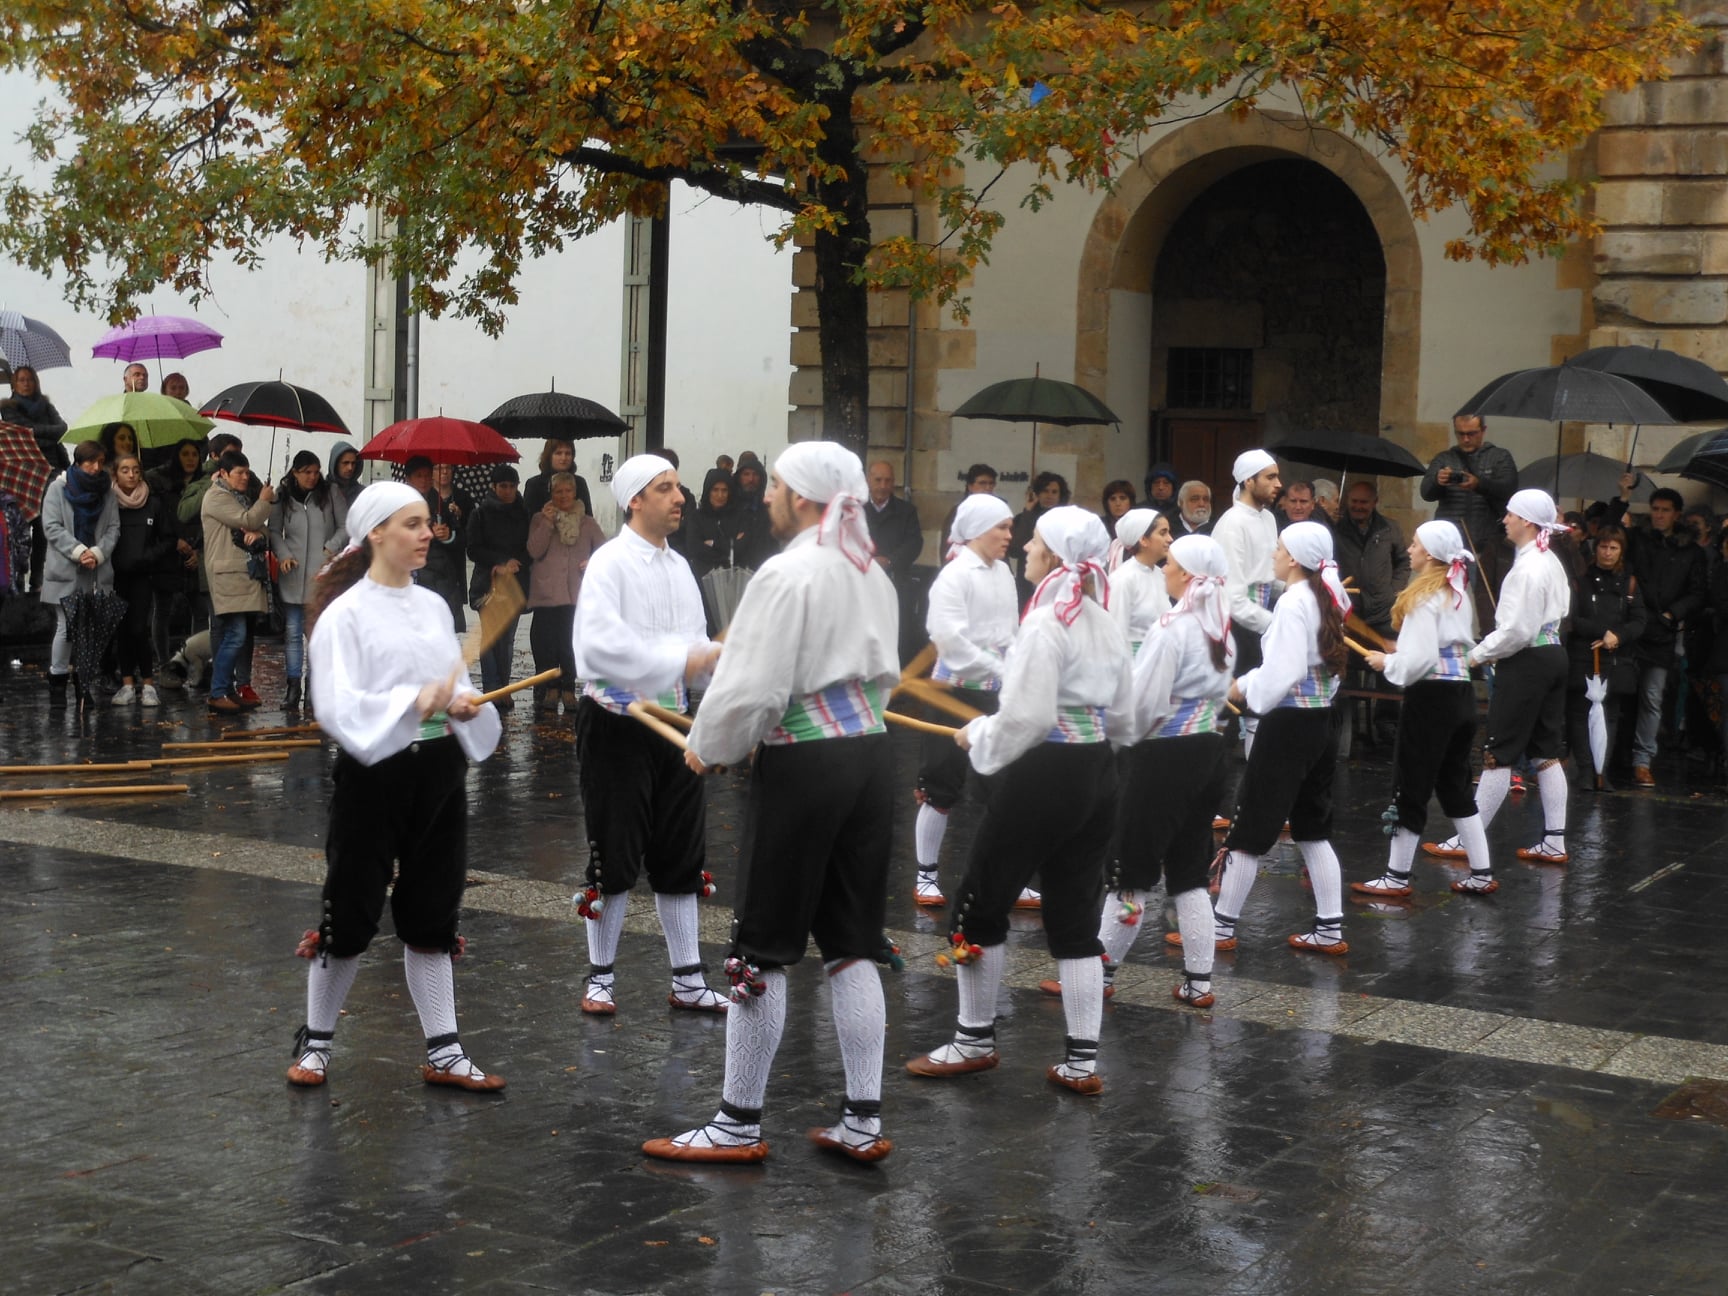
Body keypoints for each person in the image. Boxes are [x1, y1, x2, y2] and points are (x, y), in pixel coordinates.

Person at [645, 442, 899, 1165]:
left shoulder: (787, 573)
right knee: (851, 942)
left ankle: (738, 1122)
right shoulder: (871, 570)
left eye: (777, 486)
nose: (766, 496)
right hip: (870, 758)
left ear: (806, 497)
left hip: (807, 765)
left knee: (763, 944)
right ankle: (862, 1119)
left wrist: (709, 744)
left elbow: (754, 686)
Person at [286, 481, 505, 1093]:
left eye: (427, 523)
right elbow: (335, 705)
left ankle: (445, 1050)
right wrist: (411, 700)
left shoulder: (434, 606)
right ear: (376, 533)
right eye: (413, 524)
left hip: (439, 770)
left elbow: (454, 682)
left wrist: (464, 701)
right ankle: (316, 1042)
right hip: (375, 771)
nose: (427, 533)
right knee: (351, 906)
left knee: (434, 906)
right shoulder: (345, 614)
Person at [906, 506, 1132, 1095]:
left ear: (1053, 555)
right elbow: (1126, 714)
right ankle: (1082, 1060)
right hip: (1096, 770)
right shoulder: (1105, 620)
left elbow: (1027, 717)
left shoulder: (1046, 622)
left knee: (980, 901)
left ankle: (974, 1040)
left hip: (1044, 773)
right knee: (1075, 915)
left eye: (1033, 541)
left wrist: (979, 736)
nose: (1024, 547)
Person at [568, 454, 729, 1018]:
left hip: (674, 721)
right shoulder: (609, 563)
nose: (679, 498)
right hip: (618, 723)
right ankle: (600, 977)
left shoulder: (680, 566)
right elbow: (596, 649)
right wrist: (682, 660)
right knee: (615, 853)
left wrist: (718, 661)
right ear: (635, 500)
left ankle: (688, 979)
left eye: (678, 487)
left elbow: (695, 647)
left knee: (680, 850)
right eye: (665, 488)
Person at [1081, 533, 1235, 1007]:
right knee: (1189, 869)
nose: (1164, 568)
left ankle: (1098, 977)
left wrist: (1111, 733)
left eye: (1170, 563)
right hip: (1209, 750)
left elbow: (1144, 702)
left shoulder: (1173, 627)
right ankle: (1199, 982)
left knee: (1130, 866)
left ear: (1186, 573)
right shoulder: (1219, 627)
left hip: (1164, 755)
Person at [1207, 521, 1352, 953]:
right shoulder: (1327, 595)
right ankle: (1330, 928)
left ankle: (1220, 928)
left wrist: (1245, 687)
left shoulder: (1294, 601)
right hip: (1322, 719)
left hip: (1289, 724)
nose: (1273, 553)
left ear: (1292, 558)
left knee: (1250, 825)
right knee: (1313, 828)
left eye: (1278, 547)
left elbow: (1284, 670)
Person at [1425, 489, 1573, 865]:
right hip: (1553, 654)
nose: (1504, 520)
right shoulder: (1548, 559)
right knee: (1545, 751)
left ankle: (1467, 839)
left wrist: (1476, 655)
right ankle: (1554, 840)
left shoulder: (1529, 567)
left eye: (1511, 514)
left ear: (1527, 522)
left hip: (1528, 661)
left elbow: (1517, 632)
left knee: (1499, 752)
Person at [1353, 522, 1500, 897]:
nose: (1409, 549)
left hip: (1431, 699)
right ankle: (1482, 872)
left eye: (1415, 544)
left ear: (1431, 554)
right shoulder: (1456, 590)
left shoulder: (1424, 597)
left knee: (1411, 785)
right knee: (1455, 785)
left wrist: (1388, 663)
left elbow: (1418, 660)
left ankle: (1396, 876)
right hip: (1461, 695)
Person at [912, 493, 1018, 907]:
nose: (1009, 535)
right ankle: (925, 874)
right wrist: (999, 666)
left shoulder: (1003, 572)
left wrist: (1016, 668)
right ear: (976, 529)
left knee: (1002, 786)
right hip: (952, 691)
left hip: (994, 693)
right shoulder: (954, 575)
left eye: (1010, 527)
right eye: (1001, 527)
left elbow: (1010, 632)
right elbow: (948, 639)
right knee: (942, 784)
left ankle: (1006, 877)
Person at [1609, 483, 1707, 787]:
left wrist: (1672, 614)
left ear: (1677, 514)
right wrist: (1623, 497)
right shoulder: (1638, 539)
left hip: (1661, 633)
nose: (1659, 515)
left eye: (1665, 510)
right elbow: (1610, 531)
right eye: (1655, 509)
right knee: (1621, 694)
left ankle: (1643, 760)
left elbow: (1698, 592)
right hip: (1633, 628)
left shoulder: (1691, 551)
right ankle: (1614, 754)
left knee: (1652, 697)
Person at [40, 441, 120, 710]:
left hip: (95, 570)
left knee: (89, 631)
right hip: (66, 570)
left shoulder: (107, 491)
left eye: (100, 462)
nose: (96, 467)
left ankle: (83, 684)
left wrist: (97, 553)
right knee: (66, 627)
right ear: (78, 461)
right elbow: (51, 526)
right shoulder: (58, 488)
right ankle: (58, 680)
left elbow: (113, 528)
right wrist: (78, 551)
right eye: (90, 462)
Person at [1211, 449, 1282, 752]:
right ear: (1248, 481)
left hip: (1260, 617)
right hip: (1236, 624)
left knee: (1257, 707)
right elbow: (1233, 597)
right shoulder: (1232, 523)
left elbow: (1270, 577)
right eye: (1270, 477)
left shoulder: (1268, 518)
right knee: (1229, 706)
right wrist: (1275, 624)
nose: (1278, 484)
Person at [1563, 524, 1644, 791]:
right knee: (1579, 713)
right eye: (1603, 546)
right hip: (1583, 655)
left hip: (1616, 658)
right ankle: (1586, 770)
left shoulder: (1630, 583)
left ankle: (1602, 771)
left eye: (1613, 548)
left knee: (1609, 715)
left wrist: (1618, 636)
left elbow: (1639, 620)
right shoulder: (1580, 580)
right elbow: (1572, 617)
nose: (1607, 552)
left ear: (1621, 551)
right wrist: (1602, 632)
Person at [1420, 414, 1518, 623]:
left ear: (1483, 431)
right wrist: (1438, 481)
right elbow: (1426, 493)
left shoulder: (1499, 457)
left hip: (1484, 543)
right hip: (1448, 548)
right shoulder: (1444, 458)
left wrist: (1479, 484)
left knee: (1487, 602)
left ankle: (1489, 638)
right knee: (1439, 602)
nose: (1465, 439)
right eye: (1460, 434)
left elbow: (1509, 489)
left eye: (1471, 433)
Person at [270, 451, 347, 710]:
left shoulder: (330, 493)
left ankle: (315, 687)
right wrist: (284, 555)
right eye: (306, 472)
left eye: (316, 472)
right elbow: (274, 531)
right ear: (295, 472)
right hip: (293, 573)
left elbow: (345, 526)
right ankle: (293, 687)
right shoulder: (283, 495)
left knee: (316, 634)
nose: (312, 477)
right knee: (292, 633)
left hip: (321, 574)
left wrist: (331, 547)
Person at [200, 449, 275, 714]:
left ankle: (228, 690)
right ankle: (218, 691)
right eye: (239, 473)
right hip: (227, 576)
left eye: (247, 472)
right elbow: (248, 519)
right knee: (235, 634)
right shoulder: (217, 497)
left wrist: (259, 532)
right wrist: (264, 501)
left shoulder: (238, 497)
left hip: (242, 576)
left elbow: (259, 527)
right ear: (223, 473)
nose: (245, 477)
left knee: (238, 635)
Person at [526, 470, 605, 716]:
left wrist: (592, 561)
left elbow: (604, 552)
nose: (563, 495)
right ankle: (551, 687)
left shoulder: (587, 522)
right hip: (547, 592)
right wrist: (548, 523)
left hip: (575, 591)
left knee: (570, 641)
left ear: (575, 492)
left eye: (568, 491)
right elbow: (534, 550)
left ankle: (568, 687)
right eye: (558, 491)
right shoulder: (540, 519)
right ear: (551, 494)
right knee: (548, 643)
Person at [109, 454, 180, 709]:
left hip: (143, 575)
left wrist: (147, 556)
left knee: (139, 628)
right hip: (116, 575)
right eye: (125, 470)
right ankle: (127, 683)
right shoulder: (109, 503)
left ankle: (149, 684)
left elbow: (168, 538)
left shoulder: (153, 503)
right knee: (122, 630)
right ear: (115, 474)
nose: (131, 475)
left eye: (135, 470)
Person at [464, 465, 532, 706]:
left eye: (512, 486)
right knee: (490, 638)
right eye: (503, 486)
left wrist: (516, 563)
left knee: (508, 639)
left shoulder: (523, 513)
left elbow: (531, 546)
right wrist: (499, 562)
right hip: (488, 584)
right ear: (494, 487)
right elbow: (473, 549)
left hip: (515, 583)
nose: (508, 491)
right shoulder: (480, 514)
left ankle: (504, 687)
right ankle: (491, 689)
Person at [2, 363, 69, 591]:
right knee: (20, 527)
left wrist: (35, 433)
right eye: (21, 379)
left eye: (30, 379)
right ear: (14, 384)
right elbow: (22, 433)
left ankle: (37, 579)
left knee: (44, 525)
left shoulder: (47, 405)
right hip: (23, 471)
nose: (26, 383)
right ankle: (19, 576)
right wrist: (43, 434)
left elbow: (62, 428)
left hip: (52, 469)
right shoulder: (8, 408)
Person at [1335, 481, 1409, 639]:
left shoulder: (1390, 529)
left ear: (1375, 502)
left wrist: (1393, 592)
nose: (1358, 506)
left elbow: (1403, 562)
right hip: (1349, 612)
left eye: (1363, 502)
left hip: (1383, 613)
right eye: (1354, 501)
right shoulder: (1336, 529)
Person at [1109, 508, 1173, 654]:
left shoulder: (1161, 575)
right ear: (1143, 539)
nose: (1170, 539)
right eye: (1162, 533)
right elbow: (1115, 634)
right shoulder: (1123, 579)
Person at [937, 462, 999, 557]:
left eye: (991, 483)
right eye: (982, 483)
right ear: (970, 486)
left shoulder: (998, 511)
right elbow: (948, 548)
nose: (988, 487)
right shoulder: (959, 511)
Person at [522, 439, 595, 517]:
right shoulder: (534, 484)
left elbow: (588, 516)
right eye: (558, 453)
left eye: (568, 453)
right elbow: (528, 518)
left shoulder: (579, 482)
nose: (563, 458)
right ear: (549, 456)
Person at [328, 441, 365, 509]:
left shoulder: (362, 493)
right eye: (345, 463)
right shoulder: (323, 492)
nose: (350, 468)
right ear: (335, 464)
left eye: (353, 463)